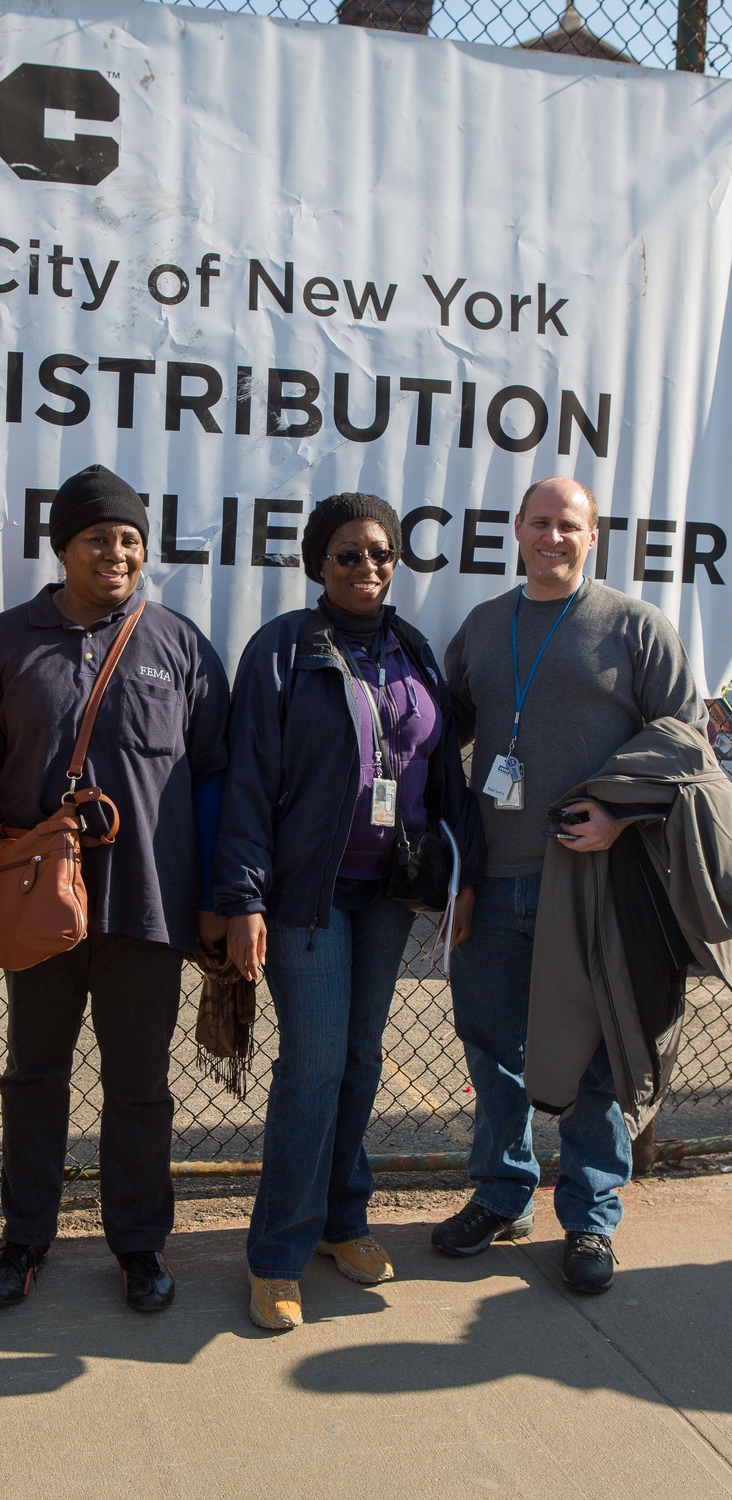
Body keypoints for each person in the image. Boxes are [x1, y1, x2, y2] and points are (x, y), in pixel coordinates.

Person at [0, 464, 229, 1314]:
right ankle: (25, 1237)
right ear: (63, 546)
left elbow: (215, 779)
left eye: (131, 540)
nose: (117, 552)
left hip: (148, 907)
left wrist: (216, 895)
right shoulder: (6, 642)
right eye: (100, 538)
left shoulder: (178, 644)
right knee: (34, 1075)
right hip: (37, 912)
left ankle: (139, 1245)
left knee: (140, 1083)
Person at [213, 492, 484, 1333]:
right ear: (316, 566)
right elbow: (248, 782)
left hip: (388, 895)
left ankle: (343, 1220)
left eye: (381, 553)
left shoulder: (414, 649)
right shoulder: (283, 651)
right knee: (314, 1065)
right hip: (308, 897)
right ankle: (277, 1256)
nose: (368, 568)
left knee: (362, 1058)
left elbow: (443, 777)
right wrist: (243, 899)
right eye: (347, 555)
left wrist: (461, 876)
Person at [435, 475, 706, 1291]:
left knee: (595, 1062)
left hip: (594, 889)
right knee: (492, 1051)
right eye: (540, 522)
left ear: (594, 537)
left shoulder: (634, 627)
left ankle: (590, 1220)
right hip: (497, 880)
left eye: (570, 526)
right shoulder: (483, 629)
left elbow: (688, 745)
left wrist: (620, 819)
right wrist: (456, 869)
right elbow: (445, 747)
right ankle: (503, 1192)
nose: (553, 537)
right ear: (516, 528)